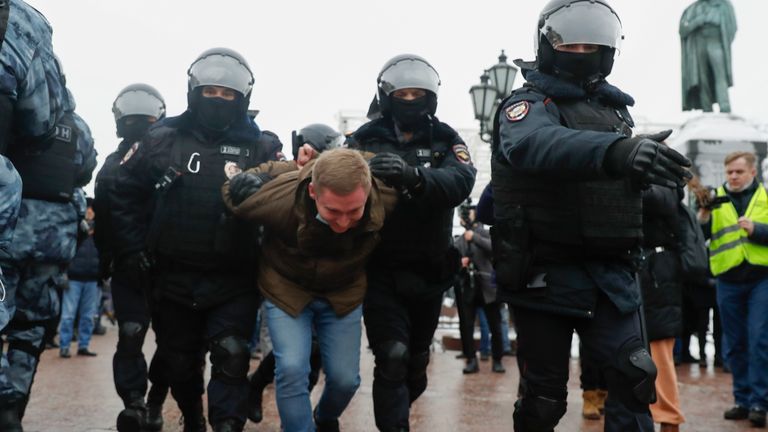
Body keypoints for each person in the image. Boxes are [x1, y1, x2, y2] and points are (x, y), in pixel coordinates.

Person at [490, 1, 692, 431]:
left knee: (636, 378)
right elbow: (536, 145)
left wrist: (656, 179)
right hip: (544, 272)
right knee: (543, 399)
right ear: (548, 45)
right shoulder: (525, 106)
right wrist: (619, 152)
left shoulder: (615, 112)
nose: (582, 52)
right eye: (572, 43)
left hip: (611, 270)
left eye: (592, 45)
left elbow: (621, 187)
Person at [111, 48, 282, 432]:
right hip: (172, 277)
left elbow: (282, 189)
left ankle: (227, 425)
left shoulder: (261, 146)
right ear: (195, 91)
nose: (219, 100)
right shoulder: (161, 138)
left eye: (228, 94)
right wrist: (132, 247)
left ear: (243, 98)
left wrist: (265, 181)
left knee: (232, 354)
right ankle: (193, 417)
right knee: (180, 364)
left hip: (233, 279)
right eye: (211, 92)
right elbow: (122, 192)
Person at [223, 147, 397, 431]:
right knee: (291, 369)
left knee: (345, 380)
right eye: (332, 211)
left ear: (368, 192)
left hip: (343, 293)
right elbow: (232, 193)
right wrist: (261, 177)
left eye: (354, 211)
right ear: (314, 192)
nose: (342, 222)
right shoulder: (279, 199)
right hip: (286, 289)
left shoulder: (386, 196)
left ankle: (326, 418)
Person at [347, 53, 476, 431]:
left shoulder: (446, 138)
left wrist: (414, 177)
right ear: (387, 96)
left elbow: (461, 181)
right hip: (380, 270)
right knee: (392, 356)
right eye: (401, 93)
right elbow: (333, 176)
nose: (409, 99)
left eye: (416, 93)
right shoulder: (363, 139)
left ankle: (401, 401)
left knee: (416, 367)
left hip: (430, 271)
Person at [0, 21, 98, 427]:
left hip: (11, 232)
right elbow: (83, 171)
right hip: (53, 241)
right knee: (31, 329)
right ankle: (12, 408)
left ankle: (3, 399)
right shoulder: (79, 129)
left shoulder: (23, 111)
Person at [243, 123, 340, 425]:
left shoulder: (332, 179)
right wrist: (249, 181)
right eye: (302, 149)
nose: (303, 157)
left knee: (317, 354)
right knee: (294, 358)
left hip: (322, 280)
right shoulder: (281, 171)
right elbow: (259, 173)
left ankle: (288, 409)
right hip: (282, 278)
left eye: (312, 152)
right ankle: (263, 390)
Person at [93, 83, 171, 431]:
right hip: (128, 267)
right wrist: (107, 260)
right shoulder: (109, 167)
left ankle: (155, 400)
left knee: (174, 344)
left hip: (170, 265)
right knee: (131, 332)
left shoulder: (172, 156)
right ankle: (135, 402)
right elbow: (105, 222)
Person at [698, 151, 768, 428]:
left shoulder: (765, 198)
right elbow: (697, 236)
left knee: (759, 339)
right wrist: (703, 215)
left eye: (739, 172)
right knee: (735, 343)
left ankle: (759, 403)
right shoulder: (712, 199)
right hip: (727, 280)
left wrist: (757, 230)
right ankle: (742, 399)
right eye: (729, 172)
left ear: (752, 172)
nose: (733, 177)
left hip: (762, 279)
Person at [639, 184, 687, 432]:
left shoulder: (666, 185)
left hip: (657, 273)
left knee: (660, 352)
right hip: (643, 270)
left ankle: (669, 418)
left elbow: (657, 199)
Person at [454, 201, 505, 374]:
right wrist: (459, 263)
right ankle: (470, 360)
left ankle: (497, 359)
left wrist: (474, 237)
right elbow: (452, 261)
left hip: (487, 290)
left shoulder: (483, 233)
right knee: (466, 327)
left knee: (495, 327)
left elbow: (494, 248)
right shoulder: (460, 241)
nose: (467, 216)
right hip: (468, 289)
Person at [59, 199, 100, 358]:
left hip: (92, 279)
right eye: (88, 208)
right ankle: (64, 346)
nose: (90, 211)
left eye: (92, 208)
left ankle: (83, 345)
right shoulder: (76, 228)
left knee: (88, 316)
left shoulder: (100, 231)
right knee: (68, 315)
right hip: (74, 278)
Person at [679, 0, 737, 113]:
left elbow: (732, 27)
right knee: (702, 78)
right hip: (699, 43)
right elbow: (683, 30)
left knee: (720, 76)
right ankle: (707, 108)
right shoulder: (692, 9)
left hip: (715, 41)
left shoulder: (723, 5)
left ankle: (725, 106)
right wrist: (698, 21)